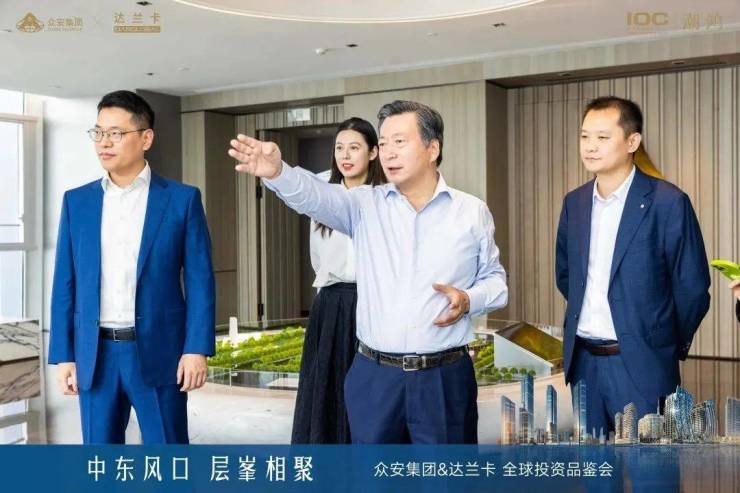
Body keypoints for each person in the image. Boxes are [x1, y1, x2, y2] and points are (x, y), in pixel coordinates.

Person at [229, 100, 508, 444]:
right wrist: (277, 173)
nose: (388, 152)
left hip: (442, 379)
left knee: (444, 474)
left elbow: (496, 281)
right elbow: (316, 197)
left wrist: (468, 299)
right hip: (375, 378)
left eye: (400, 142)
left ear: (432, 148)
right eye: (384, 143)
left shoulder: (471, 212)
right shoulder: (364, 204)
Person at [48, 90, 215, 444]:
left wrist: (196, 348)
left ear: (146, 138)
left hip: (160, 351)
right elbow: (65, 282)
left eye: (115, 133)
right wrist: (64, 355)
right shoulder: (77, 202)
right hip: (95, 356)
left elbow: (200, 281)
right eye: (98, 132)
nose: (104, 143)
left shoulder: (182, 200)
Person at [556, 96, 710, 439]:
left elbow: (693, 289)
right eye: (584, 136)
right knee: (594, 465)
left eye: (602, 137)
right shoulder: (574, 203)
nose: (590, 146)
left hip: (643, 362)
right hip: (584, 364)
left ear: (632, 142)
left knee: (651, 464)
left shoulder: (668, 202)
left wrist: (662, 342)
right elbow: (566, 276)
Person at [291, 117, 386, 444]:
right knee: (326, 388)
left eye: (354, 148)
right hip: (330, 303)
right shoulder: (321, 188)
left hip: (373, 301)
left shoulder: (385, 195)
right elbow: (317, 256)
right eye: (339, 148)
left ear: (373, 153)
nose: (345, 155)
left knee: (370, 391)